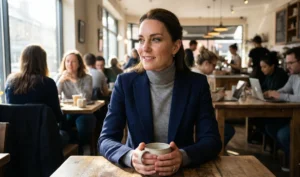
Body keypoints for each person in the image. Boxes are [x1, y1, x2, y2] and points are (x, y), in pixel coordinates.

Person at [99, 8, 221, 176]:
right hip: (137, 173)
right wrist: (130, 156)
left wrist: (183, 157)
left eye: (155, 39)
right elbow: (106, 139)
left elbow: (212, 140)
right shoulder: (125, 83)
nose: (144, 48)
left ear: (175, 46)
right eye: (141, 40)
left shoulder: (197, 84)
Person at [5, 45, 69, 147]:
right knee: (68, 134)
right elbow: (56, 117)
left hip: (16, 139)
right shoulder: (47, 83)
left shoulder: (10, 83)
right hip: (44, 139)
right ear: (43, 62)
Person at [264, 47, 300, 171]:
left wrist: (280, 96)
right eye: (287, 63)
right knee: (269, 126)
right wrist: (272, 93)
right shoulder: (294, 76)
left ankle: (294, 160)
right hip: (295, 116)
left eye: (291, 63)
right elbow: (285, 90)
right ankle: (292, 155)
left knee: (283, 134)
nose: (288, 66)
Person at [191, 47, 235, 146]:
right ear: (206, 63)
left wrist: (216, 92)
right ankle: (218, 152)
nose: (214, 68)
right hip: (195, 122)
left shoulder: (195, 73)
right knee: (228, 130)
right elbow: (208, 98)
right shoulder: (198, 77)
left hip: (195, 118)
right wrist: (219, 95)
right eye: (214, 65)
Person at [55, 50, 96, 152]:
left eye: (73, 61)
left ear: (79, 64)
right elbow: (55, 96)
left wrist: (74, 81)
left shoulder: (87, 77)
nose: (70, 64)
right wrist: (60, 81)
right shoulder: (60, 77)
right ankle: (74, 148)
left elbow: (85, 97)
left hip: (83, 111)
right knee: (62, 124)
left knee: (84, 123)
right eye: (67, 61)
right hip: (67, 111)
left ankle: (82, 146)